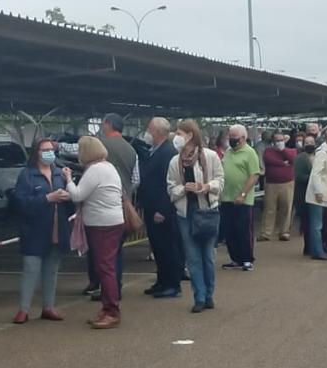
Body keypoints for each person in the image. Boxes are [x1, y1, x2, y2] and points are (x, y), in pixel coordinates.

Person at [65, 136, 125, 329]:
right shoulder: (109, 167)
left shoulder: (95, 170)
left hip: (102, 224)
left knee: (105, 268)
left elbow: (77, 195)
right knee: (106, 266)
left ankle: (112, 311)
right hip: (113, 221)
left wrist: (68, 180)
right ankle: (107, 308)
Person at [166, 120, 224, 312]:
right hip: (185, 214)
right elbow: (171, 188)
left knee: (208, 256)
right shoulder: (175, 162)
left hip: (208, 212)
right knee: (193, 258)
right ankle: (199, 296)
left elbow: (220, 180)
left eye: (179, 133)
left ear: (190, 135)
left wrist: (206, 187)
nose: (176, 137)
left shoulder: (210, 156)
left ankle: (209, 294)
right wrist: (184, 189)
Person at [12, 137, 71, 323]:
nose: (49, 153)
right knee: (31, 269)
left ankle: (48, 307)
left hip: (57, 229)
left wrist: (68, 197)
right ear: (36, 153)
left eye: (51, 149)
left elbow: (71, 205)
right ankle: (23, 309)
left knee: (51, 270)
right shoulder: (27, 175)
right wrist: (47, 198)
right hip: (33, 231)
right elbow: (20, 203)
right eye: (44, 150)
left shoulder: (59, 174)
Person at [85, 114, 137, 300]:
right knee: (116, 251)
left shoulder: (100, 146)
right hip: (124, 206)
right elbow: (136, 179)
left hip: (101, 208)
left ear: (108, 124)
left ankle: (106, 290)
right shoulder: (132, 150)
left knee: (103, 254)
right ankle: (116, 287)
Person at [138, 118, 183, 298]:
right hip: (151, 207)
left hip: (162, 210)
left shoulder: (168, 153)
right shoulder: (155, 151)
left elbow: (169, 184)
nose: (147, 133)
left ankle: (172, 284)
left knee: (168, 247)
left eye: (149, 129)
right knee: (158, 247)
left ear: (157, 132)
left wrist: (163, 210)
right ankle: (162, 281)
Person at [219, 124, 261, 271]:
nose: (231, 139)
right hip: (226, 198)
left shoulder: (250, 153)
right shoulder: (228, 152)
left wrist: (243, 194)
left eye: (234, 137)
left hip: (243, 200)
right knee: (230, 231)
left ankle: (247, 259)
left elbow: (254, 175)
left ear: (243, 138)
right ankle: (235, 259)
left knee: (243, 230)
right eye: (230, 136)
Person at [305, 131, 327, 261]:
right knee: (316, 224)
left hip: (323, 192)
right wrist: (318, 191)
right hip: (317, 194)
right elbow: (316, 174)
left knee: (317, 223)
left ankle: (316, 249)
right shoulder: (322, 153)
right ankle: (317, 251)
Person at [259, 129, 296, 242]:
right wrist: (282, 163)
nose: (279, 142)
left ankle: (284, 232)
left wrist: (283, 150)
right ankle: (266, 233)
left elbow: (292, 159)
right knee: (269, 208)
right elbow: (269, 160)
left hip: (287, 183)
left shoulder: (291, 151)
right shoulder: (268, 151)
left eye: (281, 140)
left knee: (286, 208)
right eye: (277, 140)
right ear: (273, 141)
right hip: (271, 184)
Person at [294, 135, 317, 254]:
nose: (309, 144)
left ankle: (317, 245)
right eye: (307, 142)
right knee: (306, 222)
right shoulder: (299, 158)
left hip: (317, 194)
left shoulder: (319, 156)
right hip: (303, 195)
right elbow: (298, 176)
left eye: (311, 142)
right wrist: (315, 178)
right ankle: (308, 246)